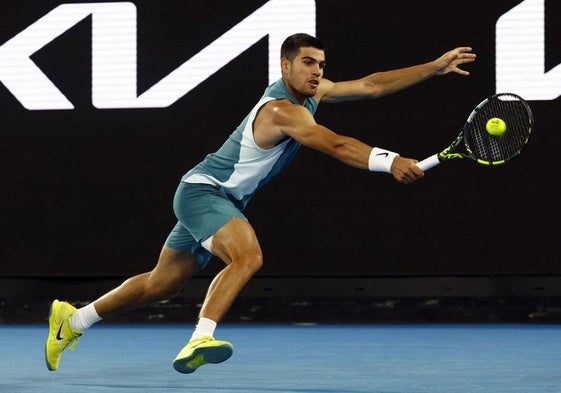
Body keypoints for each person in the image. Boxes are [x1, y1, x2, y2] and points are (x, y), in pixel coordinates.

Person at [45, 33, 476, 373]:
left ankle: (72, 321)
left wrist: (433, 68)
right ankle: (201, 338)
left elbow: (370, 86)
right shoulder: (281, 111)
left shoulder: (312, 94)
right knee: (248, 256)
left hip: (215, 196)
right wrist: (389, 160)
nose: (317, 71)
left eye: (321, 65)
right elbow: (338, 145)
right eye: (308, 63)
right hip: (204, 193)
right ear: (285, 65)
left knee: (163, 284)